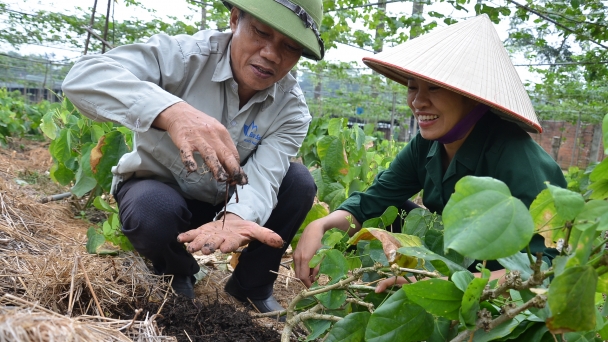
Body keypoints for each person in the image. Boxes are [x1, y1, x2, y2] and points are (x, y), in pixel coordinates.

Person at [62, 0, 325, 313]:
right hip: (162, 193)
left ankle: (251, 284)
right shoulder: (184, 57)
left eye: (290, 46)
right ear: (235, 18)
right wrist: (170, 112)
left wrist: (237, 220)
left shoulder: (291, 109)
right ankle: (177, 272)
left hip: (227, 203)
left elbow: (265, 178)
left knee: (299, 182)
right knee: (152, 209)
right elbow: (83, 78)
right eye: (260, 32)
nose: (271, 54)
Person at [293, 14, 567, 291]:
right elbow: (372, 203)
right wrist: (321, 226)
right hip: (457, 262)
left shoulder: (516, 156)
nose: (418, 101)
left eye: (435, 88)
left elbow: (547, 266)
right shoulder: (426, 146)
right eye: (413, 88)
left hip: (497, 284)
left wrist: (442, 284)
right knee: (389, 215)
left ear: (471, 97)